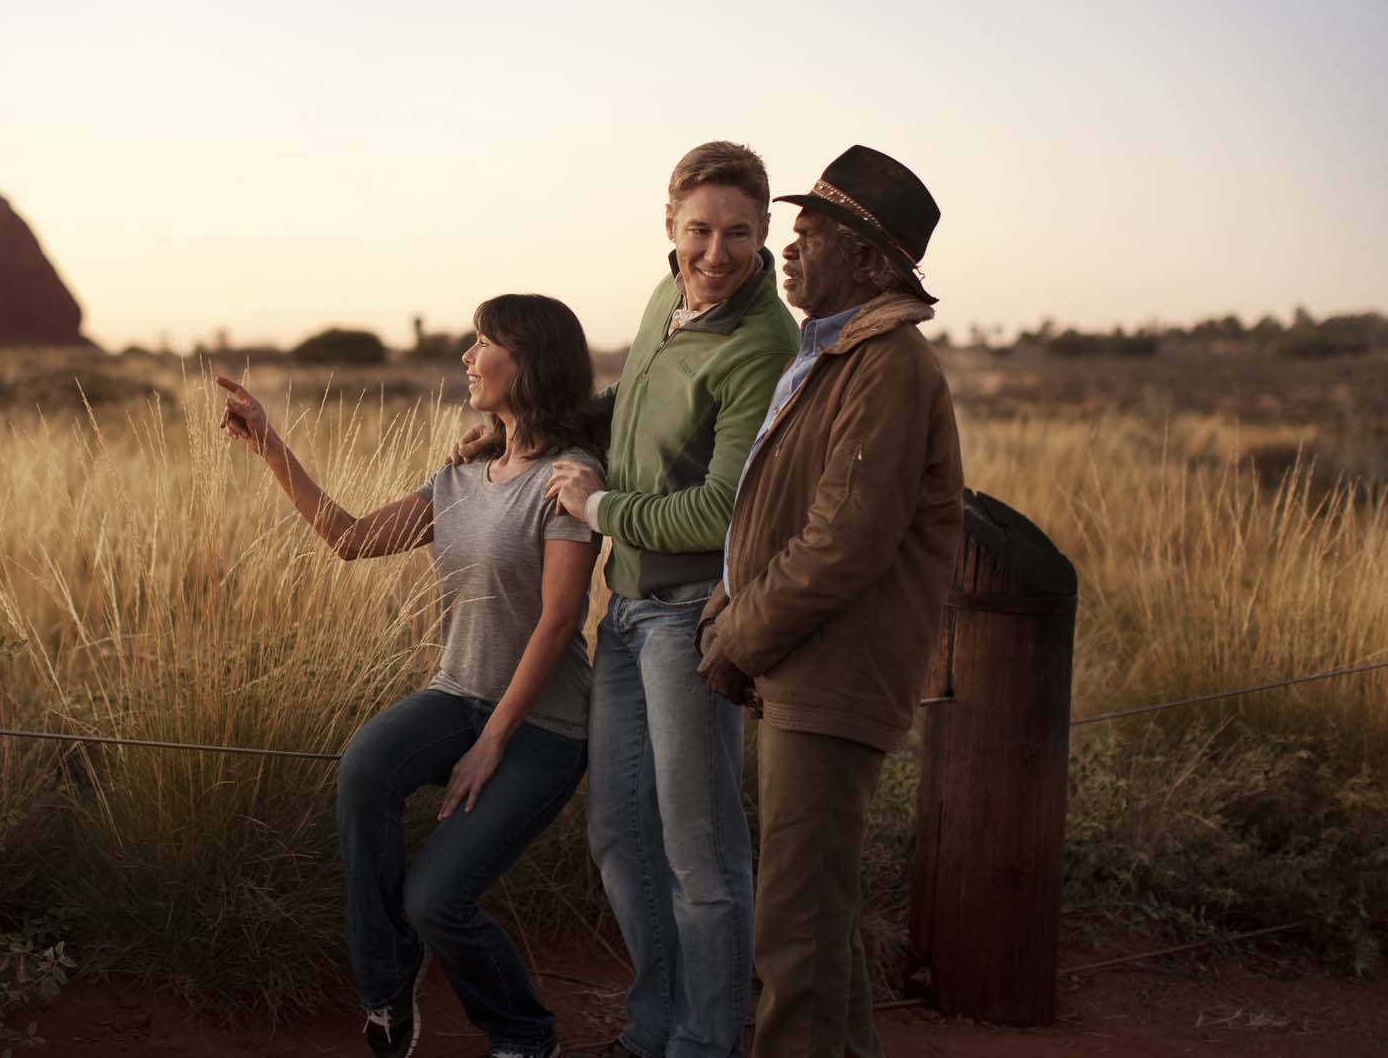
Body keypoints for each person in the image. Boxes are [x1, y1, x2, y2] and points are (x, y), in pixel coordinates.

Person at [218, 293, 605, 1058]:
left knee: (437, 901)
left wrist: (492, 743)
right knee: (364, 766)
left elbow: (559, 622)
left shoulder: (568, 477)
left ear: (527, 360)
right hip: (456, 693)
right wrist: (269, 444)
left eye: (484, 342)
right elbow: (350, 538)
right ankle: (387, 994)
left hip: (542, 725)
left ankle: (525, 1032)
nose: (467, 355)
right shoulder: (458, 476)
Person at [695, 145, 964, 1058]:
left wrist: (740, 632)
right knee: (819, 927)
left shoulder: (885, 364)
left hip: (833, 669)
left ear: (869, 257)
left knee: (797, 935)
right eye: (796, 231)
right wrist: (731, 609)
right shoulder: (839, 355)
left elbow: (845, 540)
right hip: (808, 663)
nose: (789, 249)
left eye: (812, 234)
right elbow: (786, 516)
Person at [540, 141, 800, 1058]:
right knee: (618, 831)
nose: (715, 252)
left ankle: (704, 1044)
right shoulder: (668, 296)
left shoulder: (764, 342)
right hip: (626, 610)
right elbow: (631, 405)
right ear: (670, 225)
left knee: (700, 854)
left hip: (692, 616)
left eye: (737, 232)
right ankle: (655, 1027)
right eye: (699, 230)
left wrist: (598, 505)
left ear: (764, 231)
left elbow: (724, 509)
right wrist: (552, 432)